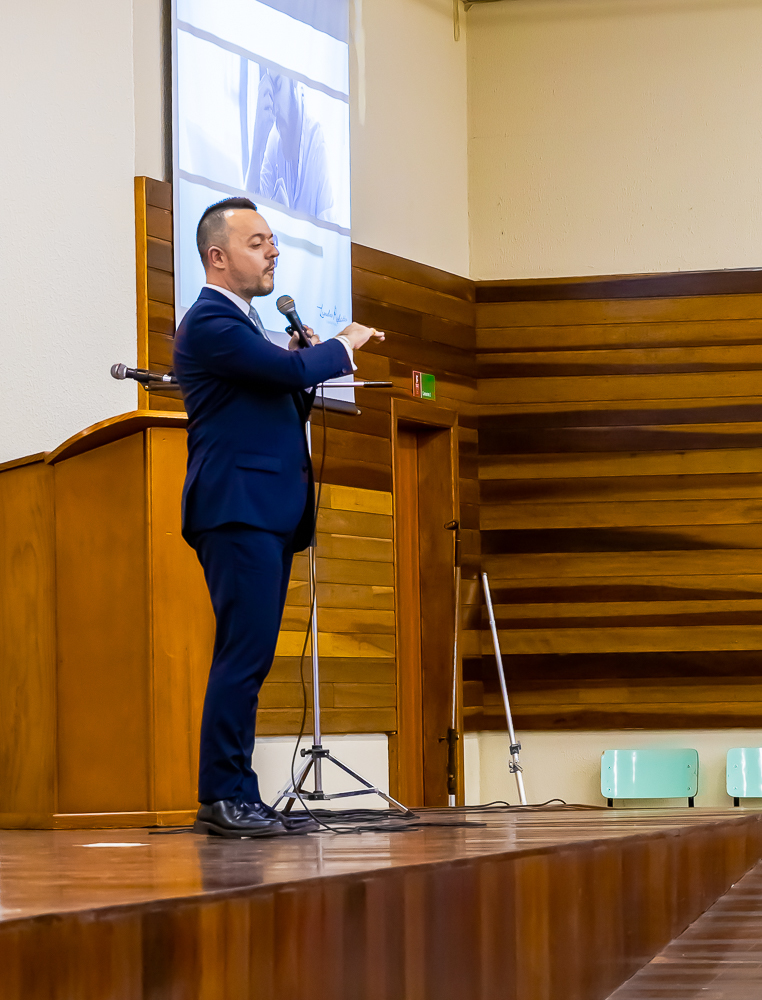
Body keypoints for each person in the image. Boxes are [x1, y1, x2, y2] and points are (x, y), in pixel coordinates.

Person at [173, 197, 383, 837]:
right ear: (218, 256)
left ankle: (240, 794)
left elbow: (276, 394)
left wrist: (297, 364)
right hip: (238, 509)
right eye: (258, 242)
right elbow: (282, 373)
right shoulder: (211, 321)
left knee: (252, 656)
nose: (274, 252)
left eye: (272, 240)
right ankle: (222, 796)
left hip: (260, 510)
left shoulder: (246, 326)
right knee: (243, 656)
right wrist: (341, 345)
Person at [245, 70, 333, 221]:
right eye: (269, 92)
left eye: (278, 86)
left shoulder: (318, 142)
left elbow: (328, 227)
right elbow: (248, 216)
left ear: (294, 81)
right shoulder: (274, 143)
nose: (273, 106)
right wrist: (258, 142)